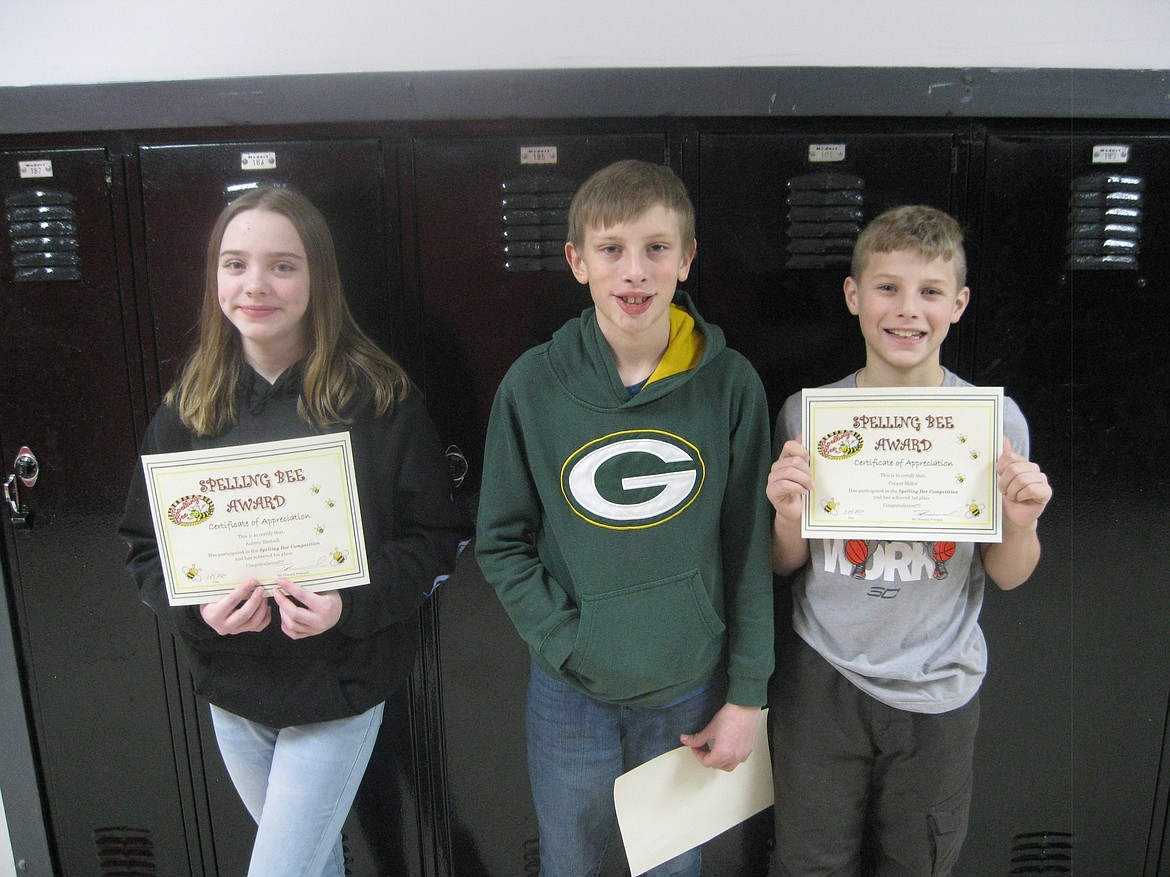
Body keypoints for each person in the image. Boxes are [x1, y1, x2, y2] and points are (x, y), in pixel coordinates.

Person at [118, 186, 467, 877]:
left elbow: (436, 538)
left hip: (336, 686)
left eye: (283, 265)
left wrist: (348, 603)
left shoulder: (379, 398)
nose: (255, 285)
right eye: (234, 263)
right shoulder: (189, 407)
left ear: (318, 280)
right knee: (313, 865)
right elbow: (143, 547)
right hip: (236, 694)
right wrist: (199, 609)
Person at [475, 159, 775, 877]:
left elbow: (749, 547)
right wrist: (570, 640)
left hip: (689, 688)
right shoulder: (533, 384)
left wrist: (747, 696)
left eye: (656, 248)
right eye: (611, 249)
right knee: (569, 864)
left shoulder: (730, 384)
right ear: (577, 261)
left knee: (673, 869)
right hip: (569, 692)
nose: (634, 272)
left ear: (688, 258)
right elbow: (502, 543)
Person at [766, 205, 1053, 876]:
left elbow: (1008, 574)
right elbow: (786, 564)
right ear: (854, 295)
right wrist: (785, 515)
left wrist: (1024, 520)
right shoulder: (806, 414)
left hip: (939, 689)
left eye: (929, 292)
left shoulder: (994, 420)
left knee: (918, 861)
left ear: (959, 304)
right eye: (888, 287)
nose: (907, 310)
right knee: (809, 859)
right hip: (822, 677)